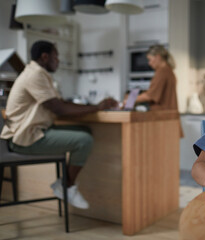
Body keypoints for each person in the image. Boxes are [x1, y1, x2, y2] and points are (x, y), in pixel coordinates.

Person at [0, 40, 118, 209]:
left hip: (34, 132)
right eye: (56, 56)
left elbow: (59, 103)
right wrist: (97, 107)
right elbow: (58, 108)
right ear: (45, 56)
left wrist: (95, 107)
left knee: (85, 130)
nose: (58, 60)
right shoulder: (35, 75)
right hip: (25, 139)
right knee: (84, 140)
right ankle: (67, 186)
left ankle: (64, 184)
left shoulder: (38, 73)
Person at [123, 44, 183, 137]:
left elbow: (150, 96)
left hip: (163, 119)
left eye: (150, 59)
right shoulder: (168, 70)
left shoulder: (162, 72)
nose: (149, 63)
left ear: (158, 57)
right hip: (169, 118)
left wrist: (129, 100)